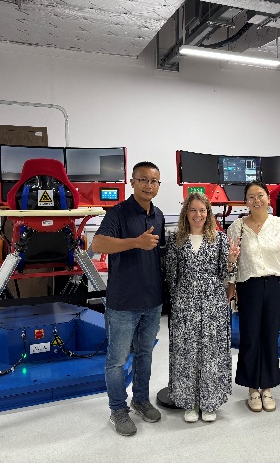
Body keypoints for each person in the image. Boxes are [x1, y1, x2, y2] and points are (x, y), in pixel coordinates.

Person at [91, 161, 165, 437]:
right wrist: (135, 242)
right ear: (132, 182)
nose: (148, 185)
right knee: (117, 360)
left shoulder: (158, 215)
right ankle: (118, 409)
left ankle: (141, 400)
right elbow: (97, 244)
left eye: (154, 181)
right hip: (123, 302)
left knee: (145, 354)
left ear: (159, 185)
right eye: (143, 180)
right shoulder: (118, 213)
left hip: (152, 301)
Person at [165, 192, 240, 423]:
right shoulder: (176, 239)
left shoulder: (219, 239)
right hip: (184, 303)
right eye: (193, 210)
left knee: (211, 353)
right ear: (186, 213)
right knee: (187, 352)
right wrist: (178, 303)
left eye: (202, 210)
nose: (197, 215)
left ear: (208, 213)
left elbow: (226, 273)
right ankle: (190, 403)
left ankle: (210, 402)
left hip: (213, 303)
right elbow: (171, 275)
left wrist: (231, 260)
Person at [227, 181, 280, 412]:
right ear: (245, 201)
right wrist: (230, 287)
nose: (256, 200)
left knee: (269, 336)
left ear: (268, 198)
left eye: (260, 195)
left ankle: (267, 387)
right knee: (250, 337)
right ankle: (252, 389)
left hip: (276, 284)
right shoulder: (236, 227)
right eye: (251, 197)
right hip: (248, 286)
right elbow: (232, 263)